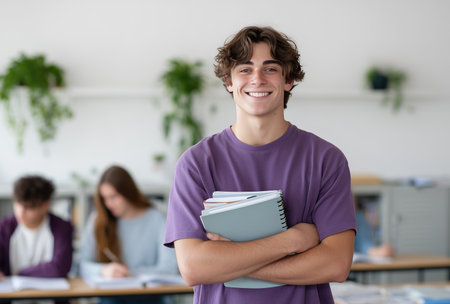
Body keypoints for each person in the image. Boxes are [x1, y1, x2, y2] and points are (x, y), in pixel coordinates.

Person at [164, 26, 357, 303]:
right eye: (244, 69)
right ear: (229, 82)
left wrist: (231, 262)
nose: (257, 79)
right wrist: (292, 241)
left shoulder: (326, 159)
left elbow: (336, 265)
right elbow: (194, 267)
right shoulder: (195, 163)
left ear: (288, 80)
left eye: (270, 69)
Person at [79, 165, 178, 304]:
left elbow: (169, 268)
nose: (108, 204)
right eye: (104, 198)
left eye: (113, 197)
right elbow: (82, 265)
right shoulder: (98, 220)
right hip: (112, 296)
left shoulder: (156, 218)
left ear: (128, 192)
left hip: (150, 296)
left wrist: (130, 273)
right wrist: (104, 270)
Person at [0, 175, 73, 279]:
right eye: (17, 204)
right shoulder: (3, 227)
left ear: (45, 206)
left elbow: (59, 268)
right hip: (12, 293)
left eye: (28, 207)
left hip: (52, 293)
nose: (20, 212)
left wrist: (20, 273)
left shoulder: (62, 228)